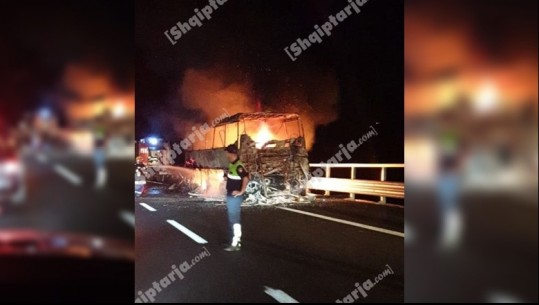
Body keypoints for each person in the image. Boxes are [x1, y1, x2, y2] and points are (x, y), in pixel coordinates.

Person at [223, 144, 249, 251]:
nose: (226, 155)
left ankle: (236, 243)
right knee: (232, 219)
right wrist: (226, 176)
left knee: (234, 220)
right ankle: (233, 241)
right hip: (230, 195)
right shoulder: (232, 164)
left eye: (227, 153)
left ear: (231, 153)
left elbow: (246, 178)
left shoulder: (238, 166)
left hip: (234, 197)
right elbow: (232, 176)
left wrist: (241, 191)